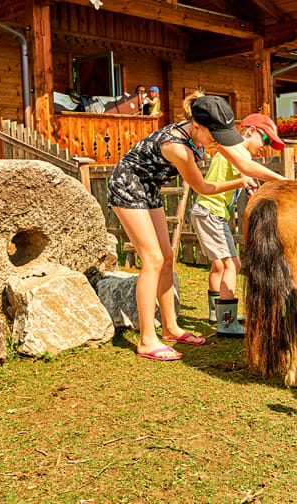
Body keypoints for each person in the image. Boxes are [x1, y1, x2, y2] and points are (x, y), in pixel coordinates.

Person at [108, 93, 284, 360]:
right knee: (153, 260)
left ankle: (170, 328)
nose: (218, 141)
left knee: (167, 258)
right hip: (126, 185)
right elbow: (203, 187)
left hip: (149, 187)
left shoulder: (205, 132)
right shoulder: (177, 147)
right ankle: (146, 339)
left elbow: (244, 163)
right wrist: (238, 182)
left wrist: (285, 181)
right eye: (215, 135)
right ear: (198, 126)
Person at [191, 113, 286, 336]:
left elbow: (246, 180)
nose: (264, 148)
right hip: (211, 212)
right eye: (265, 140)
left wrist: (249, 187)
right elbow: (247, 172)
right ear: (251, 131)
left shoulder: (234, 152)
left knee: (219, 265)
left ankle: (218, 313)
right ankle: (227, 322)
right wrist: (283, 181)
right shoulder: (238, 151)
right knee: (232, 265)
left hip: (207, 211)